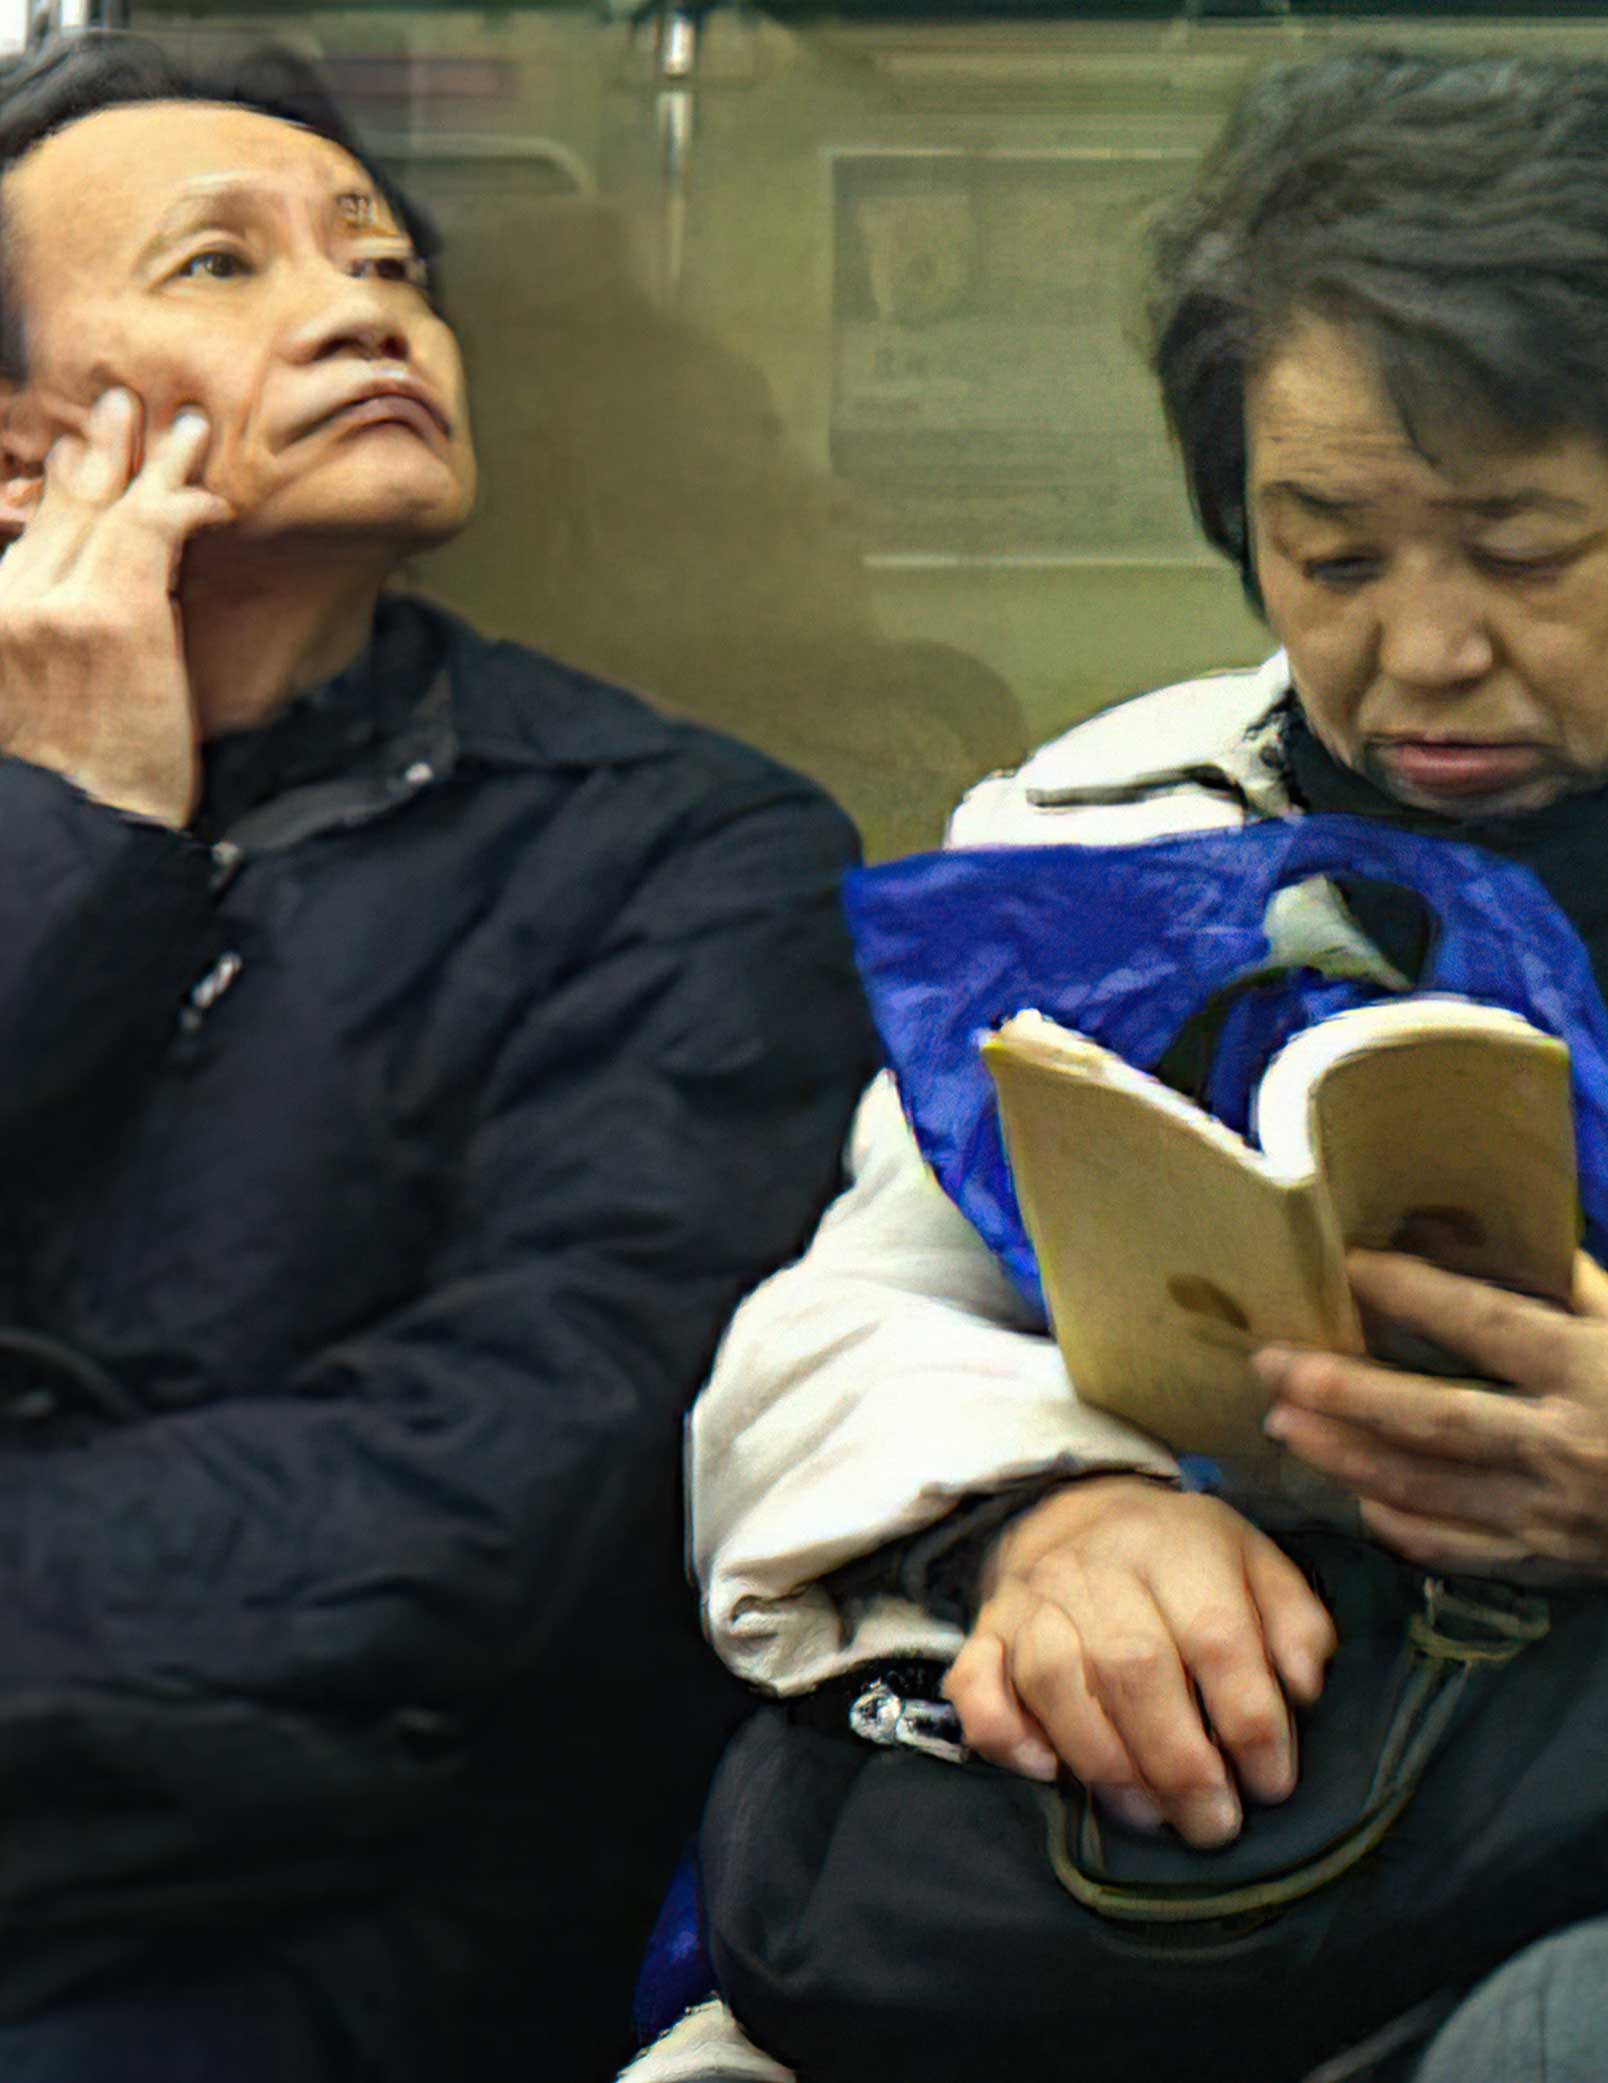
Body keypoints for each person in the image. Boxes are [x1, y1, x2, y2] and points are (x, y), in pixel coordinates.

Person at [654, 48, 1608, 2083]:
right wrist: (1050, 1524)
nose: (1426, 650)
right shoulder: (1085, 839)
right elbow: (822, 1352)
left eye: (1520, 546)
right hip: (1197, 1806)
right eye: (1331, 552)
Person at [0, 34, 875, 2083]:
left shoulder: (677, 850)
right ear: (15, 450)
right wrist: (64, 846)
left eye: (385, 261)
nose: (360, 309)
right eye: (223, 266)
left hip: (334, 1914)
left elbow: (514, 1478)